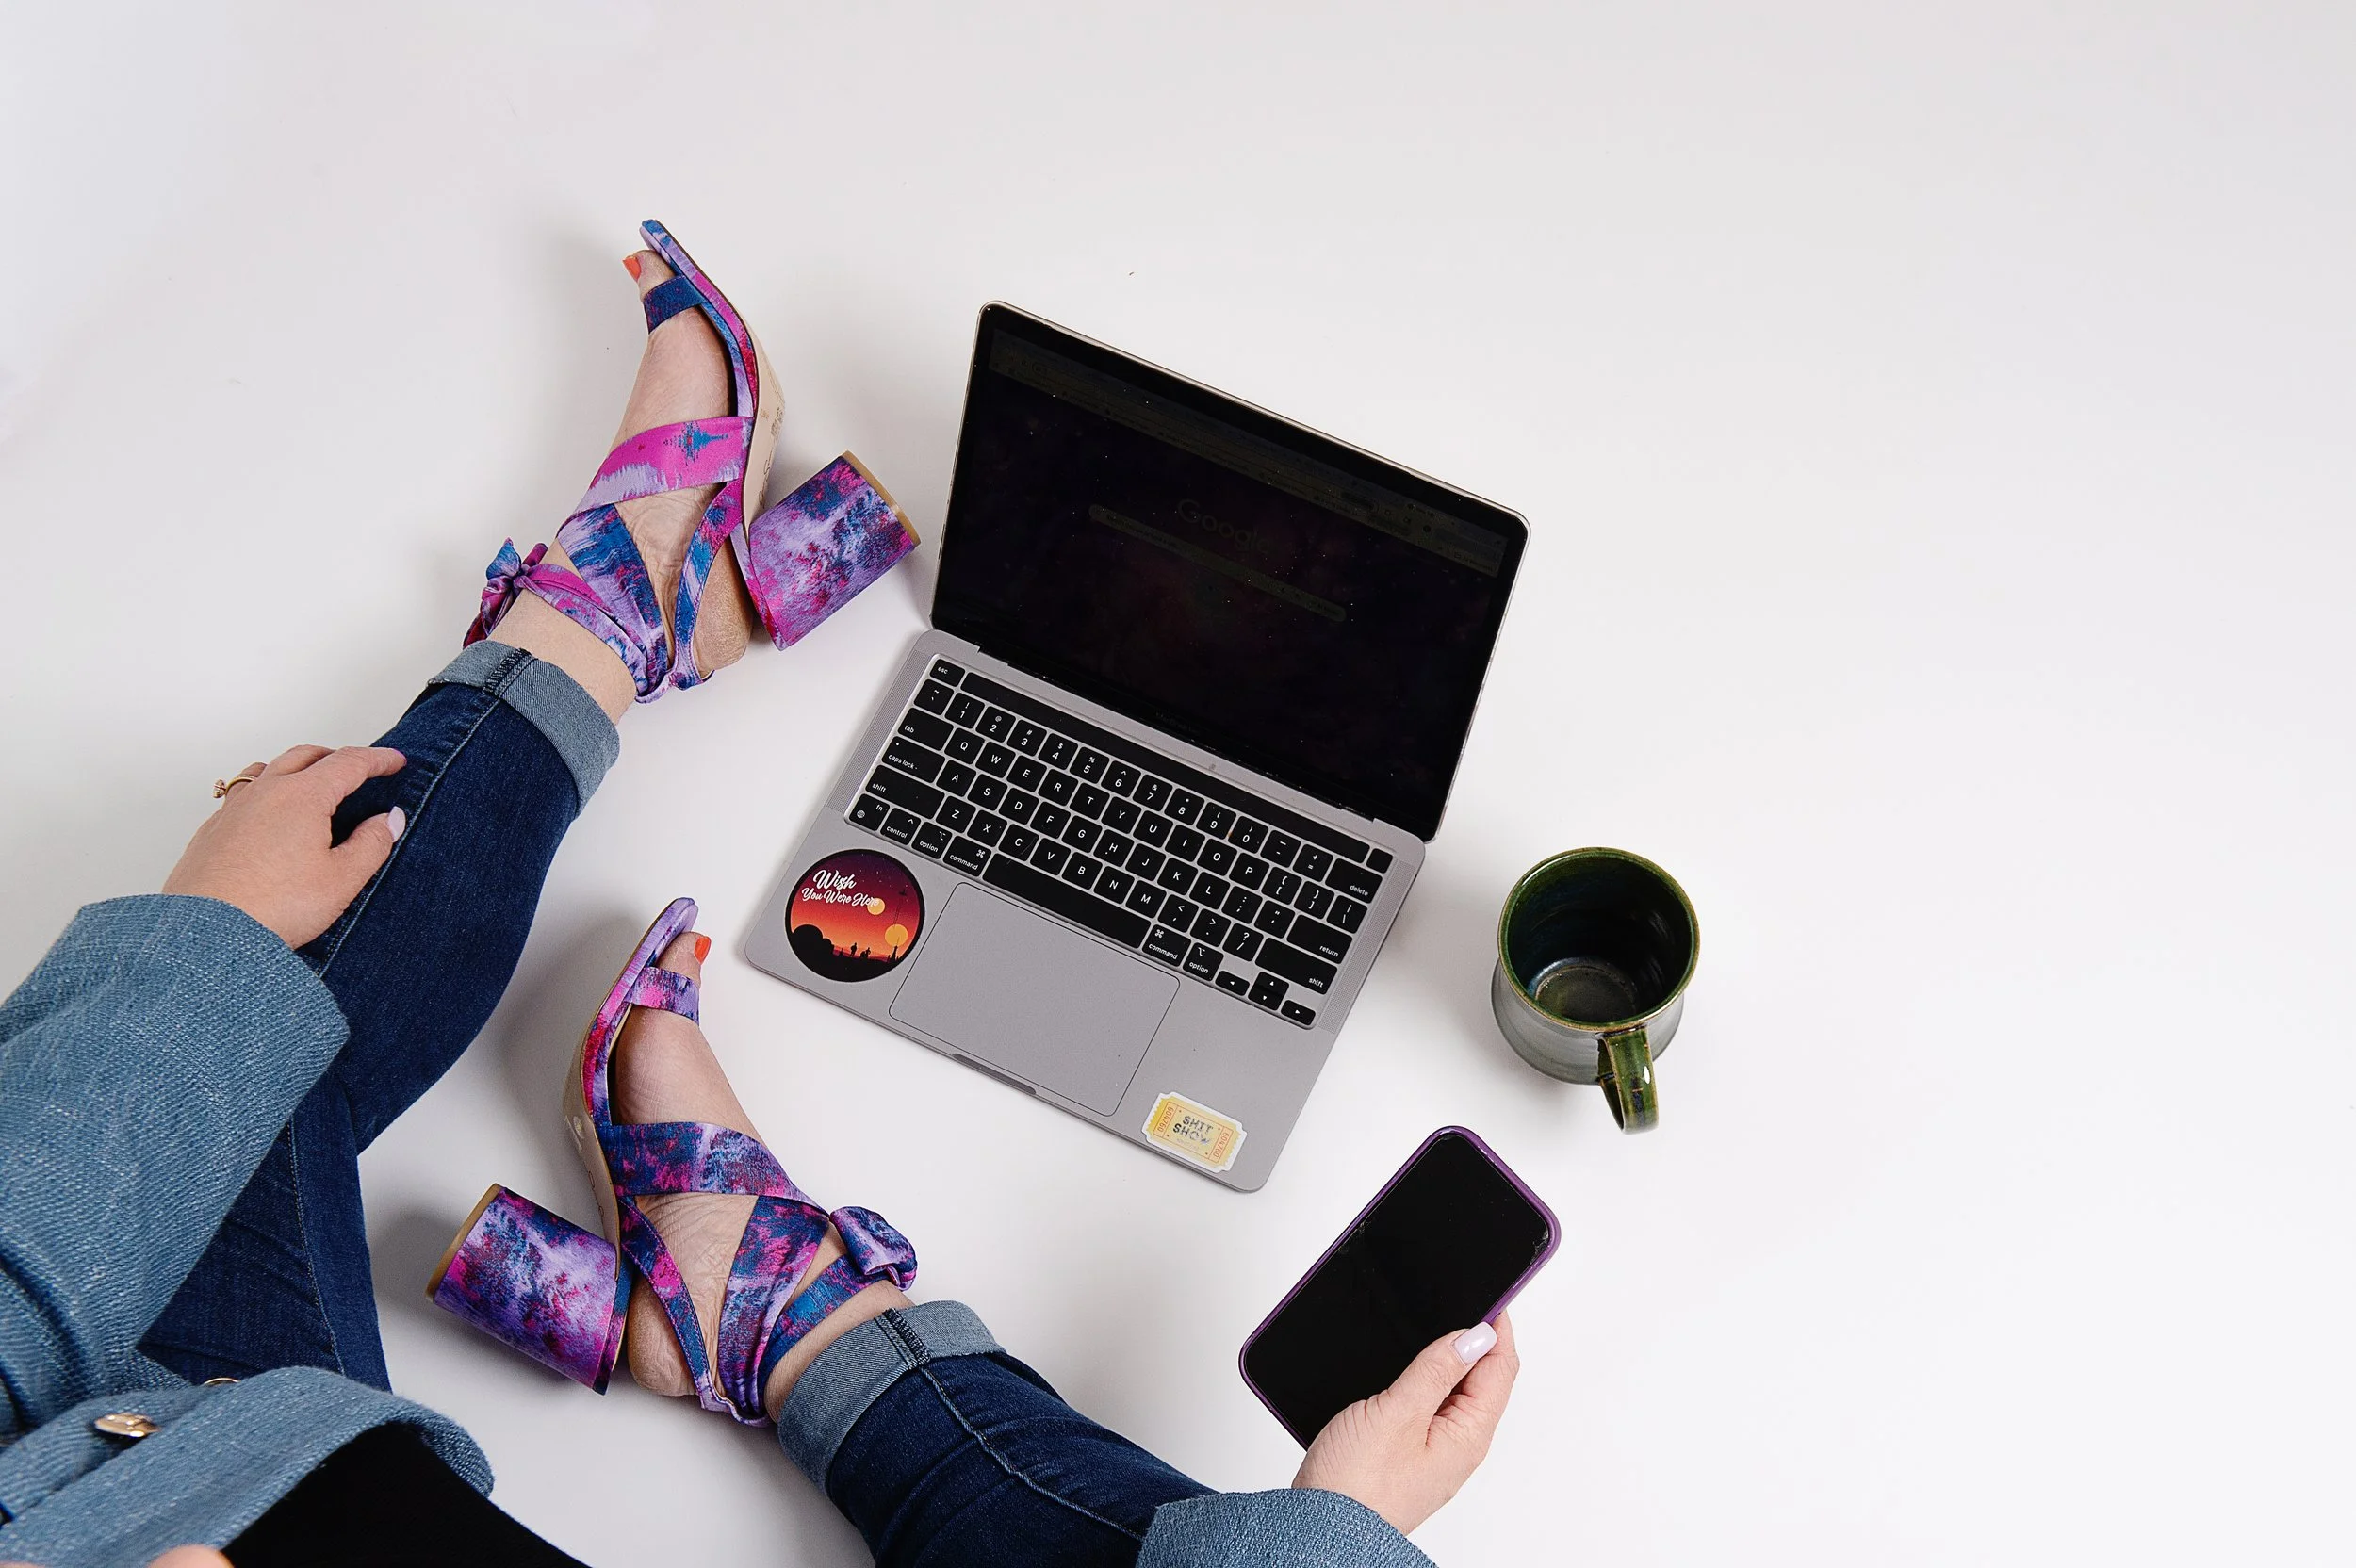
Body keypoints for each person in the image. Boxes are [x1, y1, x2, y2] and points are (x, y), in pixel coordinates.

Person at [0, 224, 1518, 1568]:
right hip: (235, 1470)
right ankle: (765, 1300)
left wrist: (207, 953)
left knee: (245, 1024)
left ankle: (624, 624)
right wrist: (1343, 1539)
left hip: (170, 1453)